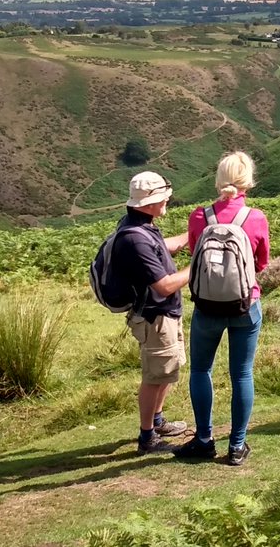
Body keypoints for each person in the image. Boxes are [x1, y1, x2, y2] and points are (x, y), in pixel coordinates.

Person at [173, 151, 270, 466]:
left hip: (207, 307)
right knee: (242, 372)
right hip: (245, 305)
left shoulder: (199, 217)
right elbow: (262, 263)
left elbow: (193, 253)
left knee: (201, 370)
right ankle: (237, 446)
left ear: (219, 179)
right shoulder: (256, 218)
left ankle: (204, 440)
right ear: (247, 181)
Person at [110, 171, 191, 454]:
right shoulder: (135, 239)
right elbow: (165, 285)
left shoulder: (140, 226)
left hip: (163, 314)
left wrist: (192, 236)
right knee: (155, 376)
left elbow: (162, 249)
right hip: (155, 316)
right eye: (163, 197)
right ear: (150, 202)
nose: (168, 200)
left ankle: (156, 422)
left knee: (166, 371)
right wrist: (198, 265)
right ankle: (147, 437)